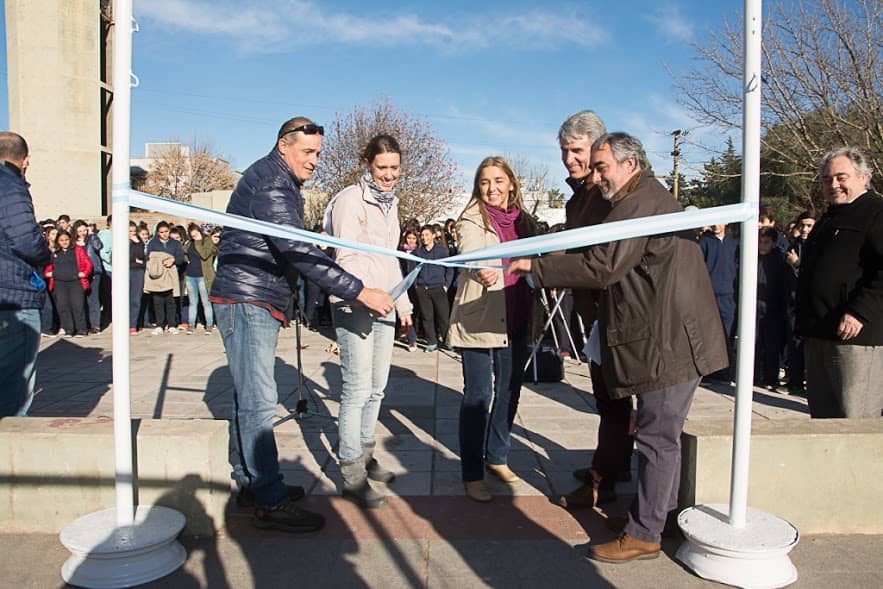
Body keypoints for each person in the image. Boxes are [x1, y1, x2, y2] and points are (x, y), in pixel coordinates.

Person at [508, 132, 728, 563]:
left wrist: (536, 266)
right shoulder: (637, 197)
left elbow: (604, 264)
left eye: (601, 166)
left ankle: (646, 532)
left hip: (671, 341)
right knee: (659, 435)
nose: (596, 175)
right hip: (668, 336)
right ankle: (654, 517)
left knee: (656, 437)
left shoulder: (638, 203)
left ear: (631, 164)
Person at [209, 117, 394, 532]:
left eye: (318, 154)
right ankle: (270, 501)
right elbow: (298, 251)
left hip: (255, 296)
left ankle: (253, 483)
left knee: (248, 399)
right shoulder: (274, 185)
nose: (315, 162)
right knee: (258, 401)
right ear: (283, 145)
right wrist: (359, 291)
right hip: (246, 298)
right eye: (307, 153)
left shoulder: (279, 180)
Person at [551, 110, 634, 511]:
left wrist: (541, 267)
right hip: (593, 310)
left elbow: (599, 258)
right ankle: (612, 466)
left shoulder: (605, 195)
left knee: (614, 400)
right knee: (607, 398)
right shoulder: (579, 196)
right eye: (565, 151)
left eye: (577, 150)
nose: (570, 159)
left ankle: (607, 479)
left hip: (614, 311)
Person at [326, 134, 414, 509]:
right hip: (356, 302)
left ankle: (365, 453)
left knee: (378, 387)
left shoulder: (390, 204)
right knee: (357, 387)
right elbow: (346, 258)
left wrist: (403, 302)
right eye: (382, 168)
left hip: (386, 303)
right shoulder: (349, 200)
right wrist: (368, 294)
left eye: (394, 168)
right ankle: (351, 471)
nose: (389, 175)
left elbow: (389, 259)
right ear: (367, 165)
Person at [448, 156, 536, 503]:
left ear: (511, 183)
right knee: (478, 395)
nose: (492, 188)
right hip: (480, 317)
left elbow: (536, 257)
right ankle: (472, 473)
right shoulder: (471, 217)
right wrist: (482, 267)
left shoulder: (525, 221)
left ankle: (497, 456)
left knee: (510, 391)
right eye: (485, 182)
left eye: (499, 180)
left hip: (518, 315)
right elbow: (469, 250)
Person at [797, 146, 882, 418]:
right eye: (827, 179)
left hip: (855, 339)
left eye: (841, 177)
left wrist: (859, 312)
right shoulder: (826, 219)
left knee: (854, 422)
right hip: (818, 334)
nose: (833, 185)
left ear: (863, 177)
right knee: (823, 425)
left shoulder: (876, 212)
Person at [0, 132, 51, 416]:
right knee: (13, 387)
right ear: (25, 160)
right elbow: (26, 240)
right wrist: (45, 255)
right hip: (11, 297)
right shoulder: (10, 186)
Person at [699, 222, 738, 381]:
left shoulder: (734, 243)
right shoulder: (704, 242)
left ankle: (725, 371)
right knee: (709, 333)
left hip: (729, 296)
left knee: (727, 334)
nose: (715, 225)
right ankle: (709, 371)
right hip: (709, 294)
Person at [755, 227, 787, 389]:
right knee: (755, 344)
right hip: (755, 309)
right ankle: (754, 376)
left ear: (773, 244)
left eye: (766, 242)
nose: (762, 245)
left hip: (773, 309)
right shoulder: (752, 258)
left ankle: (770, 378)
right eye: (760, 241)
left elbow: (783, 287)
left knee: (772, 346)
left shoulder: (779, 260)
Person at [44, 230, 92, 338]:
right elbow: (48, 266)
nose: (64, 242)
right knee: (63, 306)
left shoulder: (77, 250)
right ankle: (69, 329)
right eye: (62, 240)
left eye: (66, 239)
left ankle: (81, 329)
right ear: (58, 241)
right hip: (59, 283)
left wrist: (84, 273)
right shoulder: (55, 252)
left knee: (77, 306)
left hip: (75, 282)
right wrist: (49, 273)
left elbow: (87, 263)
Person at [412, 224, 452, 352]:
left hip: (439, 288)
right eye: (422, 235)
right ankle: (431, 341)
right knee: (426, 316)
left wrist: (446, 285)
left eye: (427, 235)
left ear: (433, 236)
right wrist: (416, 285)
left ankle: (448, 340)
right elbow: (412, 270)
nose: (424, 238)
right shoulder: (417, 253)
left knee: (443, 316)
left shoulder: (442, 252)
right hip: (423, 289)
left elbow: (449, 269)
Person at [145, 221, 184, 334]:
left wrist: (173, 260)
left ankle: (172, 324)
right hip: (157, 275)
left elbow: (180, 258)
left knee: (171, 301)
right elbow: (149, 257)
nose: (164, 234)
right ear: (158, 233)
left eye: (166, 231)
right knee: (158, 301)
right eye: (162, 232)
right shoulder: (153, 243)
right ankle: (160, 324)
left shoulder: (175, 244)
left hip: (170, 274)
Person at [183, 223, 216, 334]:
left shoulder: (207, 241)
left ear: (199, 231)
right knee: (192, 302)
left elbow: (204, 254)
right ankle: (191, 324)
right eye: (192, 236)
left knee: (205, 302)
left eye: (196, 234)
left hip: (203, 276)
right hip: (190, 275)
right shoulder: (190, 243)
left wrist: (197, 241)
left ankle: (209, 324)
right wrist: (186, 258)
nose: (194, 237)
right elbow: (184, 252)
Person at [72, 220, 104, 334]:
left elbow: (99, 246)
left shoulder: (91, 240)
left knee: (93, 299)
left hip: (93, 272)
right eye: (80, 231)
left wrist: (92, 234)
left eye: (84, 230)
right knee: (80, 300)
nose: (82, 233)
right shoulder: (73, 243)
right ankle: (83, 324)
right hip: (79, 273)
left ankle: (95, 325)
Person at [128, 221, 145, 334]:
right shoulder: (120, 241)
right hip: (125, 271)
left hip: (137, 272)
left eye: (134, 231)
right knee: (124, 299)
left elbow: (142, 258)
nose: (133, 233)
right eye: (130, 231)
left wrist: (138, 243)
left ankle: (132, 324)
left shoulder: (139, 243)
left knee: (135, 299)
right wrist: (135, 260)